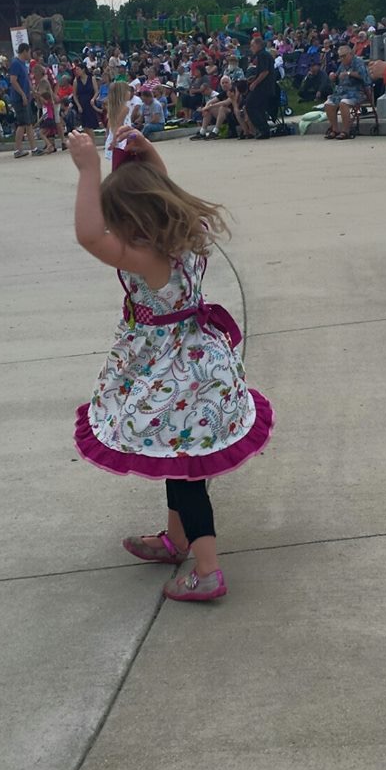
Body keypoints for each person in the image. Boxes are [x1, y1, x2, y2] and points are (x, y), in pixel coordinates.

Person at [67, 127, 274, 601]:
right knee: (174, 458)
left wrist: (88, 170)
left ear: (131, 218)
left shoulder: (145, 257)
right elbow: (159, 186)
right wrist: (148, 155)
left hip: (172, 374)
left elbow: (87, 236)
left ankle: (207, 570)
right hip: (199, 364)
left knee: (187, 476)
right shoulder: (186, 234)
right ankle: (175, 541)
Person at [324, 45, 370, 140]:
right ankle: (335, 129)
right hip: (342, 92)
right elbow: (338, 75)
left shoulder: (358, 62)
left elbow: (364, 76)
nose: (342, 58)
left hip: (357, 91)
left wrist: (349, 73)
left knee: (343, 103)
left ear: (351, 54)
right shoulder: (342, 65)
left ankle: (346, 131)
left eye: (344, 56)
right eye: (340, 56)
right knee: (328, 104)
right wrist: (333, 76)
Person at [9, 42, 39, 158]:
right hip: (19, 98)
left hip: (25, 96)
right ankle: (24, 149)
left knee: (27, 123)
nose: (30, 54)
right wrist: (22, 94)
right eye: (29, 52)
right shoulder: (16, 63)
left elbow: (26, 80)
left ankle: (26, 148)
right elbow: (13, 80)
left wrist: (32, 91)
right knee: (24, 124)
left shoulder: (23, 64)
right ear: (25, 51)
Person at [245, 37, 276, 140]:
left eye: (252, 46)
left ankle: (262, 128)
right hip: (268, 86)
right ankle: (264, 130)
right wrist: (254, 77)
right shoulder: (264, 55)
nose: (251, 48)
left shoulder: (262, 55)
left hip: (263, 87)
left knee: (250, 105)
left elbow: (265, 72)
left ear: (258, 45)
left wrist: (255, 83)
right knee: (260, 108)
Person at [72, 62, 100, 140]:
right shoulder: (76, 81)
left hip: (90, 103)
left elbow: (96, 91)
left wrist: (93, 99)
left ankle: (92, 143)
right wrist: (78, 105)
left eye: (78, 69)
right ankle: (88, 143)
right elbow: (74, 95)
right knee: (85, 126)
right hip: (82, 103)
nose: (76, 71)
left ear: (83, 70)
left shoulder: (92, 78)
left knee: (90, 125)